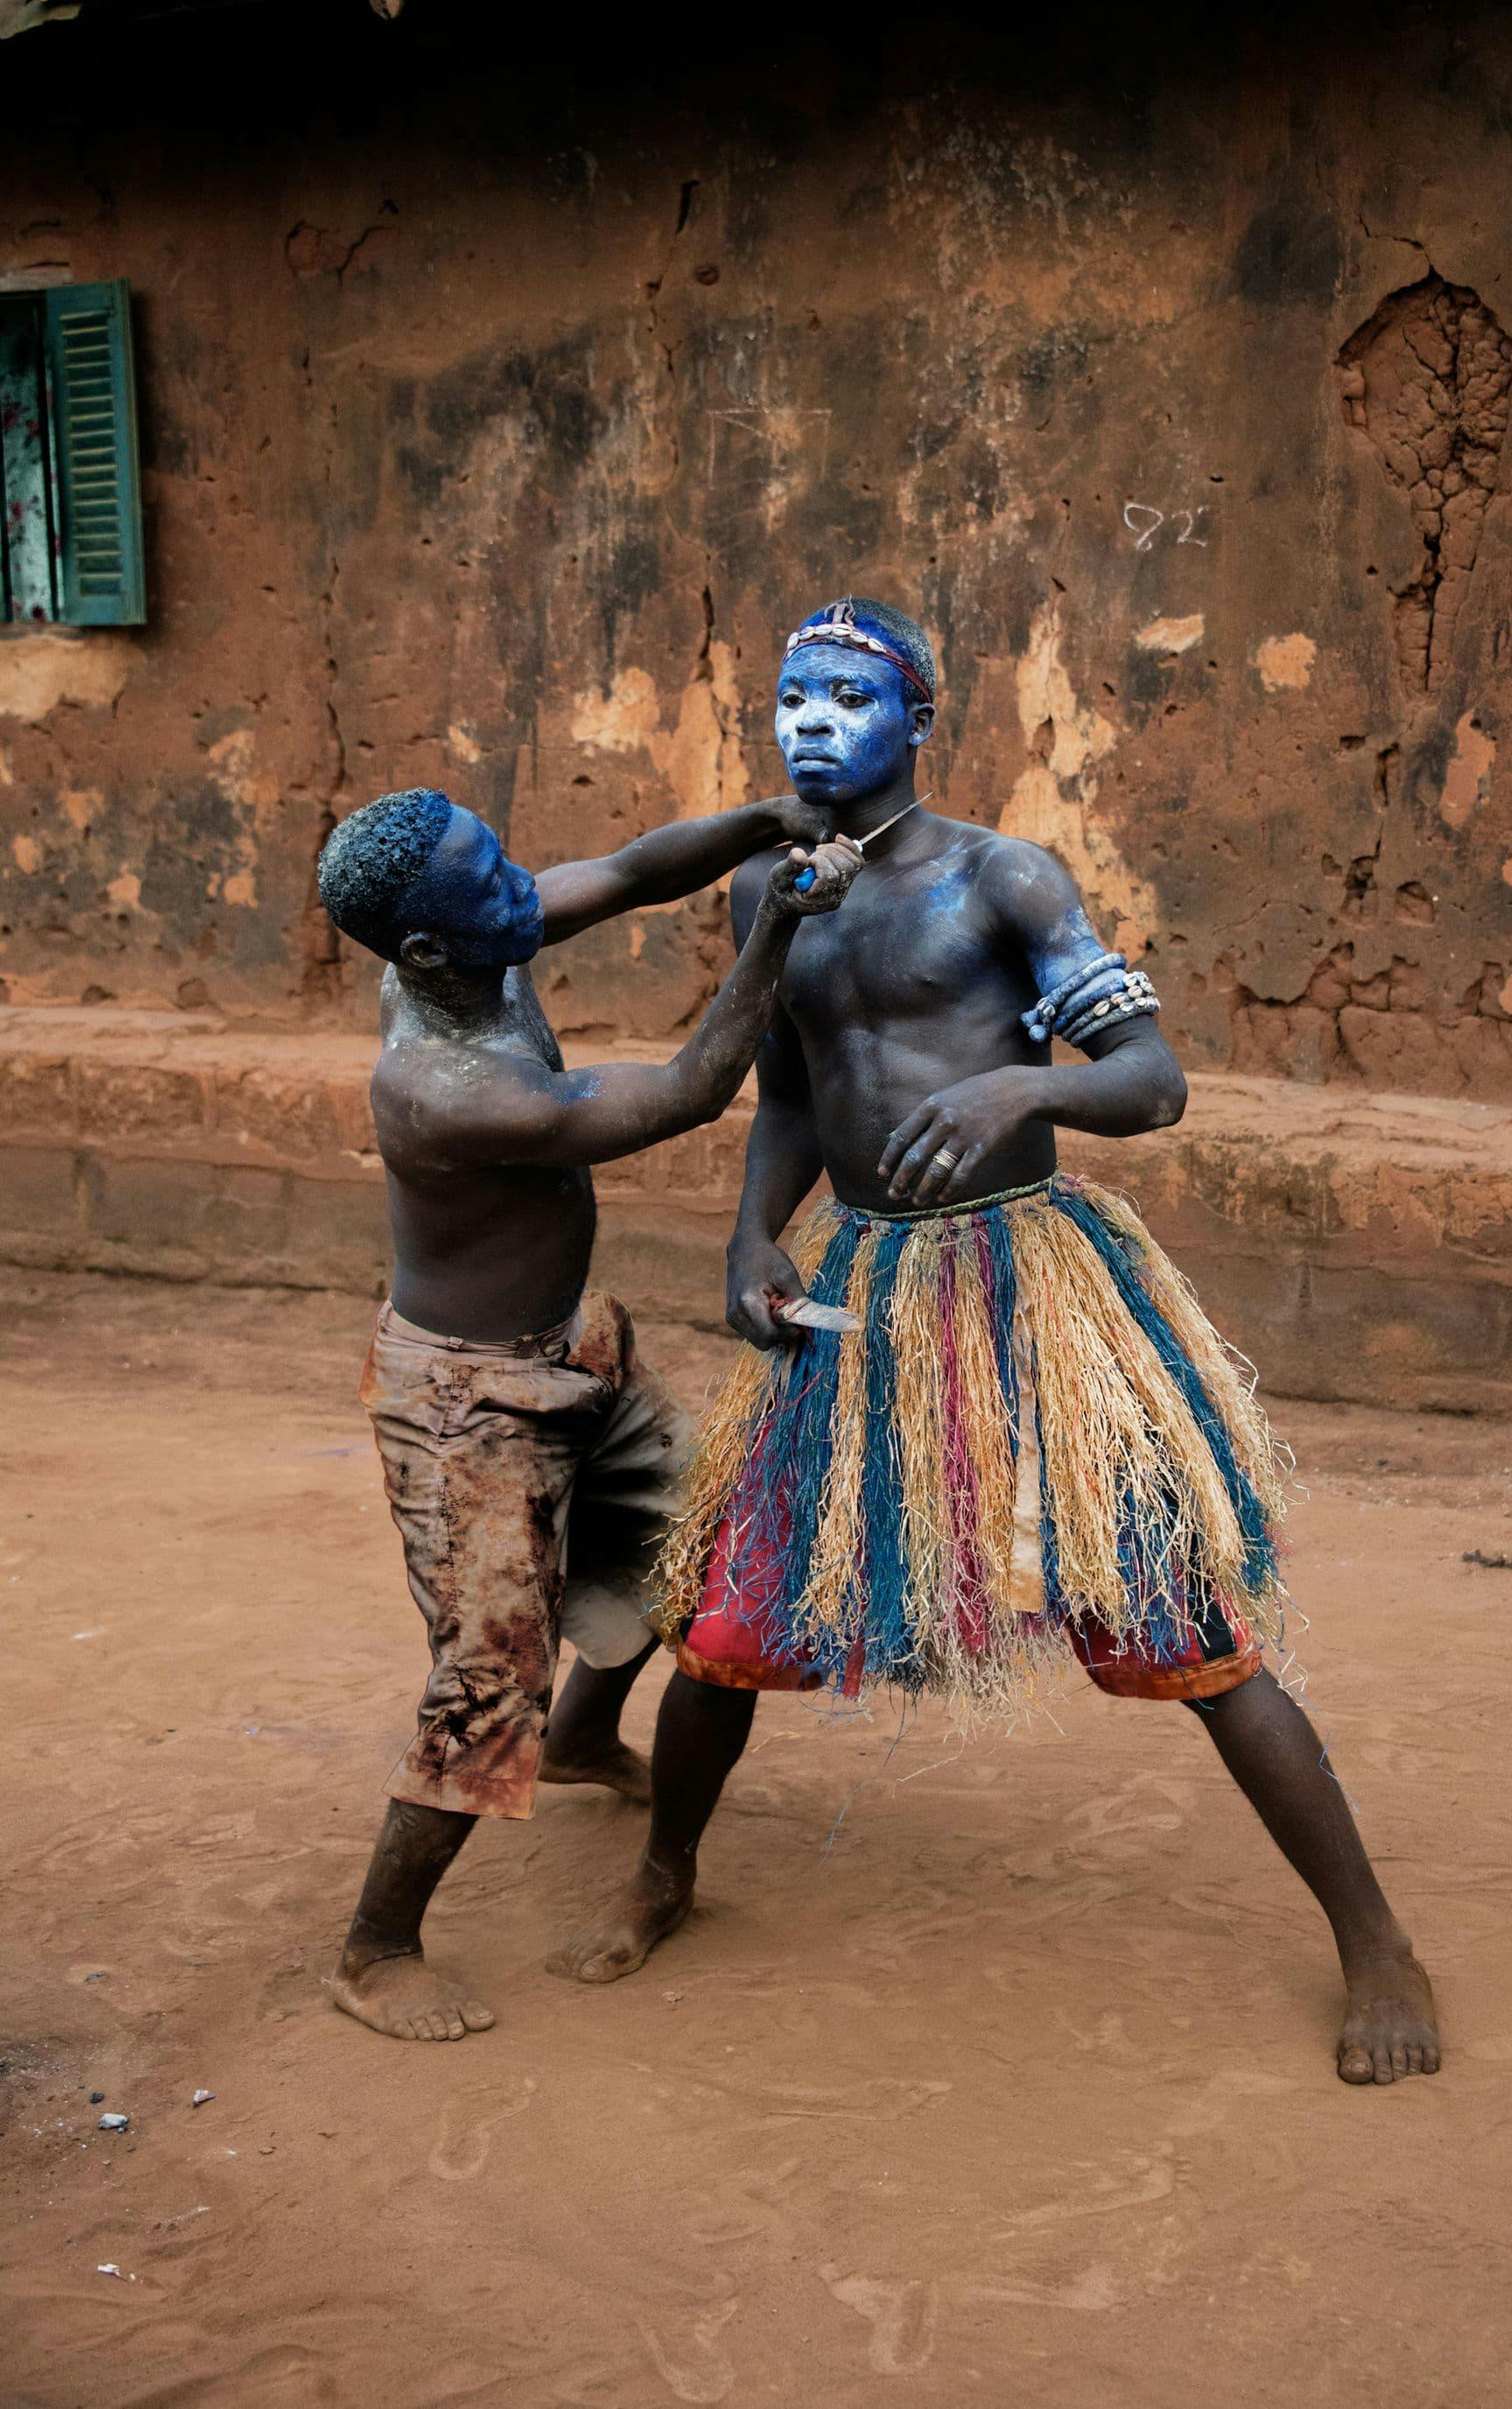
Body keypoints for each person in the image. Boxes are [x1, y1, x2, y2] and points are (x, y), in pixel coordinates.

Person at [563, 597, 1440, 2088]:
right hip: (855, 1291)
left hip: (1031, 1296)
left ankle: (1376, 1940)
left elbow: (1152, 1082)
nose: (810, 721)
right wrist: (749, 1236)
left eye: (847, 695)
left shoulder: (1001, 881)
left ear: (919, 724)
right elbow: (785, 1093)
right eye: (791, 695)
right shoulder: (767, 893)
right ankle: (667, 1874)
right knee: (730, 1615)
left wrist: (1022, 1096)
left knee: (1182, 1624)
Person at [314, 782, 862, 2041]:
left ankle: (579, 1740)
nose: (524, 885)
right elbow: (682, 1094)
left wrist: (764, 820)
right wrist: (777, 923)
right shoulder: (440, 1085)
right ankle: (376, 1948)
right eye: (490, 883)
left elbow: (624, 870)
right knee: (482, 1686)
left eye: (503, 858)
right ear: (422, 952)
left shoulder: (484, 945)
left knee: (676, 1546)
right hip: (466, 1404)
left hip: (572, 1344)